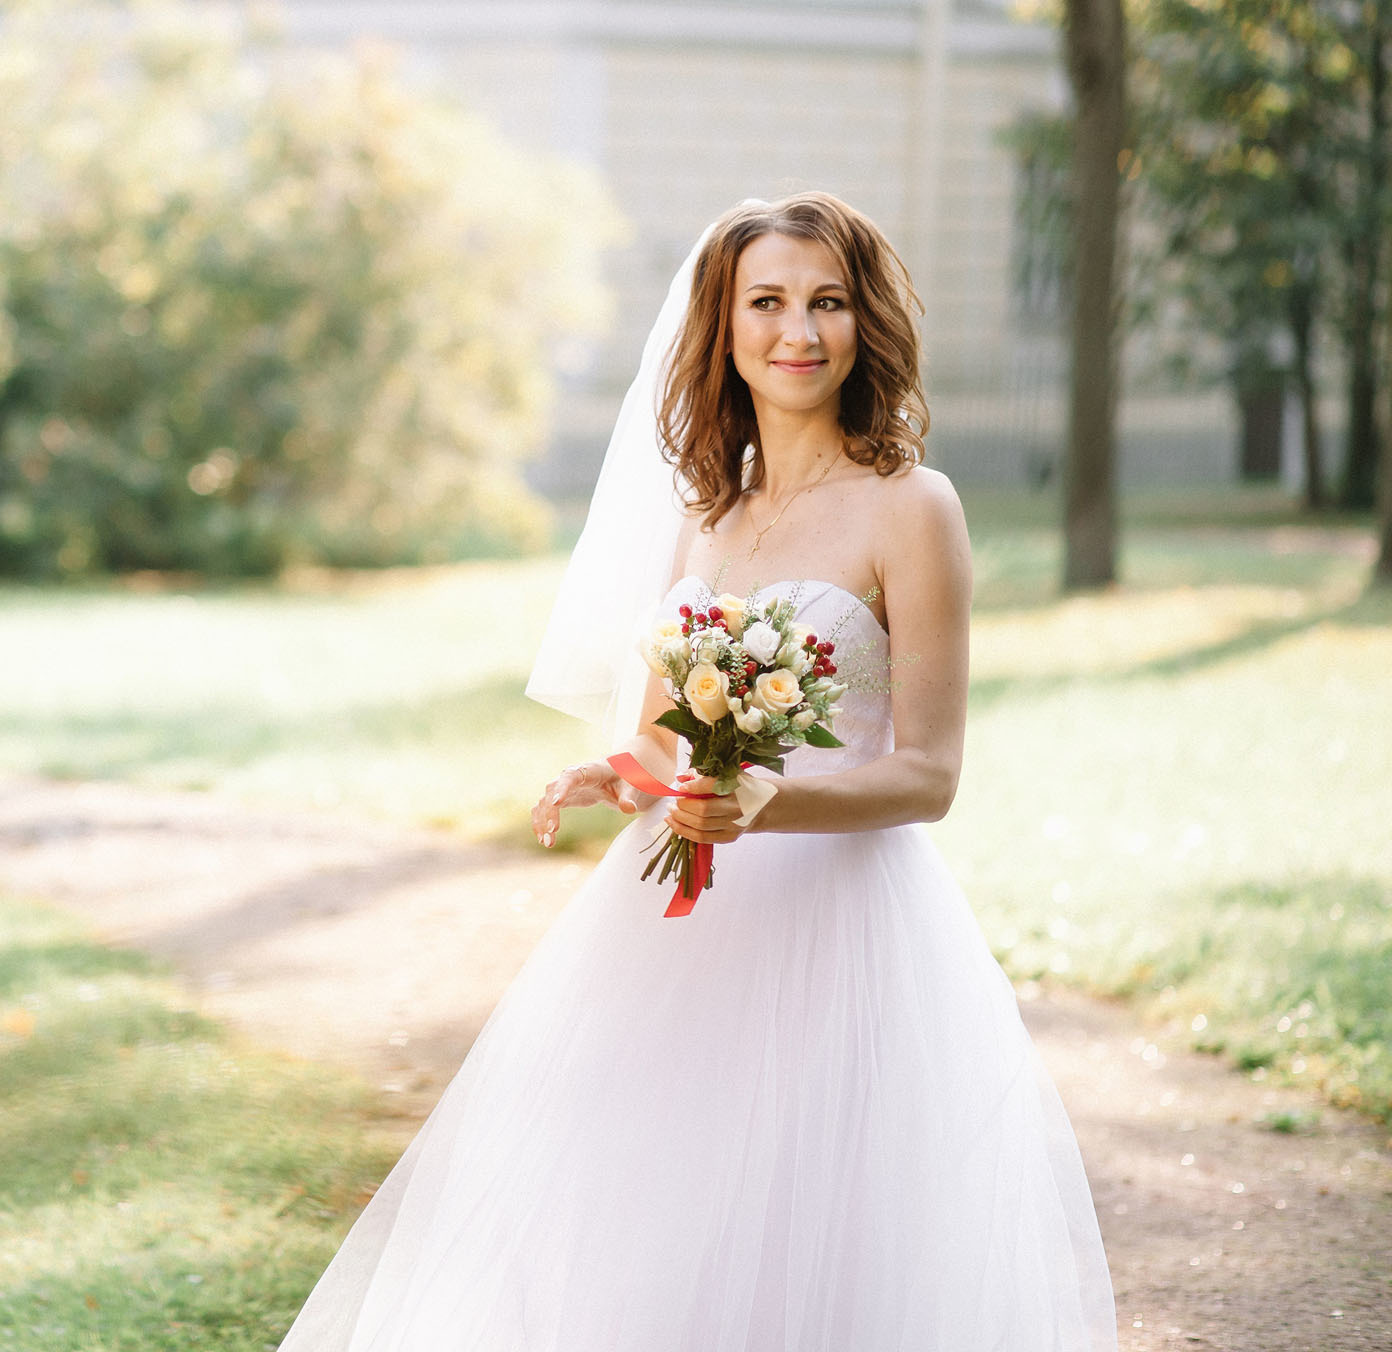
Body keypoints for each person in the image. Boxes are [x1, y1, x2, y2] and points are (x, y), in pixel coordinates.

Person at [276, 194, 1115, 1350]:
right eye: (766, 303)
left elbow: (928, 773)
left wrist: (774, 802)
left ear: (865, 321)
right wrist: (617, 773)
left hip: (844, 924)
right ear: (724, 329)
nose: (799, 332)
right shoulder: (707, 520)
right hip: (675, 932)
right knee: (642, 1211)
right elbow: (674, 750)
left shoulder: (911, 508)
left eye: (827, 302)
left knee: (821, 1228)